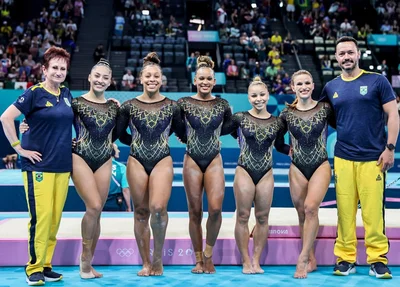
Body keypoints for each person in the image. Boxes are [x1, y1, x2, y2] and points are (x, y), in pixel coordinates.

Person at [19, 59, 121, 279]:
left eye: (105, 77)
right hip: (80, 156)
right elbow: (53, 119)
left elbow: (113, 131)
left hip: (104, 157)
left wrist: (111, 142)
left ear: (110, 81)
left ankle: (89, 263)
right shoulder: (73, 102)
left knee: (98, 213)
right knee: (93, 206)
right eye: (97, 76)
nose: (101, 80)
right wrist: (25, 126)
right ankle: (82, 263)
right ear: (90, 78)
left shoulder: (114, 106)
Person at [320, 36, 399, 279]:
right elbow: (323, 118)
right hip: (343, 158)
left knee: (374, 213)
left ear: (358, 54)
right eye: (342, 53)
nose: (346, 57)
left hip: (373, 159)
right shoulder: (330, 87)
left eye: (350, 52)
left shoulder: (377, 81)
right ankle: (345, 258)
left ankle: (377, 259)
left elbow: (393, 115)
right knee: (344, 211)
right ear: (336, 57)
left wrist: (390, 148)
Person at [0, 47, 73, 286]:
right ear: (44, 69)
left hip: (62, 166)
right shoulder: (33, 94)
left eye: (63, 68)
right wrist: (18, 147)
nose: (59, 72)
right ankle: (33, 266)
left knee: (54, 219)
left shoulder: (67, 94)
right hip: (38, 167)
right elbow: (6, 117)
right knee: (40, 218)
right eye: (55, 68)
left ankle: (46, 264)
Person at [115, 52, 184, 276]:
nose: (152, 79)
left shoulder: (172, 106)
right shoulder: (128, 106)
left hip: (162, 159)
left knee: (157, 208)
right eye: (148, 76)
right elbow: (118, 134)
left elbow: (181, 131)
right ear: (141, 79)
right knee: (141, 211)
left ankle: (158, 258)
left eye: (156, 76)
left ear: (161, 79)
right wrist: (136, 141)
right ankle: (146, 262)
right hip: (136, 160)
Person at [177, 56, 232, 274]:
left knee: (216, 210)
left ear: (215, 80)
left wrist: (213, 135)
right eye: (201, 78)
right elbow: (175, 126)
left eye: (209, 78)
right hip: (191, 158)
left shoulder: (222, 104)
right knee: (195, 212)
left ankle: (209, 255)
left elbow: (228, 127)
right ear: (195, 80)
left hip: (214, 159)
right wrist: (185, 138)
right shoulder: (183, 104)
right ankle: (198, 259)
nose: (205, 82)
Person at [230, 76, 289, 274]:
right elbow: (220, 131)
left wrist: (292, 150)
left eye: (262, 95)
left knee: (262, 217)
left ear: (268, 96)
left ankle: (256, 260)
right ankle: (245, 260)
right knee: (243, 216)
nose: (258, 99)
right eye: (254, 95)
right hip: (244, 169)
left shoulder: (277, 122)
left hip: (266, 172)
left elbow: (280, 145)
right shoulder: (239, 118)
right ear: (248, 97)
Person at [280, 70, 334, 279]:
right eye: (299, 84)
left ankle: (302, 259)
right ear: (292, 87)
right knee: (302, 214)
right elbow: (276, 140)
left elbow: (345, 125)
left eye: (307, 83)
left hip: (320, 163)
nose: (303, 87)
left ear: (313, 86)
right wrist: (287, 150)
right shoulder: (286, 113)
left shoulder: (325, 109)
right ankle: (311, 258)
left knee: (311, 208)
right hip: (297, 167)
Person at [103, 143, 132, 212]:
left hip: (100, 204)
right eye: (116, 149)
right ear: (111, 151)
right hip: (116, 203)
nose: (119, 151)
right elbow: (125, 189)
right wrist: (129, 207)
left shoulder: (99, 167)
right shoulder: (121, 167)